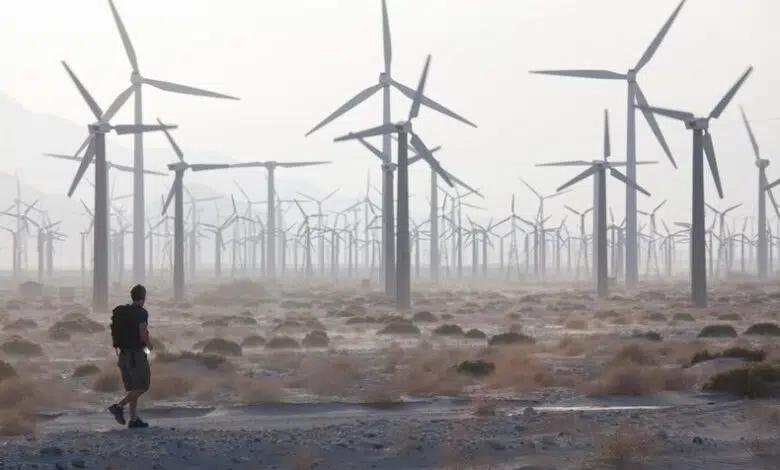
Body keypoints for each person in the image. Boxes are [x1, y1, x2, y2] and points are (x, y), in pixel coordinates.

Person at [107, 284, 151, 428]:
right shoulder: (141, 313)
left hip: (123, 355)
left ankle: (133, 419)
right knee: (143, 386)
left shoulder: (124, 312)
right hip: (136, 355)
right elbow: (143, 332)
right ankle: (119, 407)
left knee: (134, 387)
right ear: (144, 297)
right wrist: (149, 345)